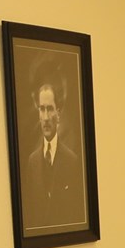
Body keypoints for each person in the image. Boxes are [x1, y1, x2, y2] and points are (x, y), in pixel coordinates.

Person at [21, 81, 84, 231]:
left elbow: (76, 213)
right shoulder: (32, 162)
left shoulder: (72, 161)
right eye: (42, 109)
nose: (46, 117)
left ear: (58, 113)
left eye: (50, 109)